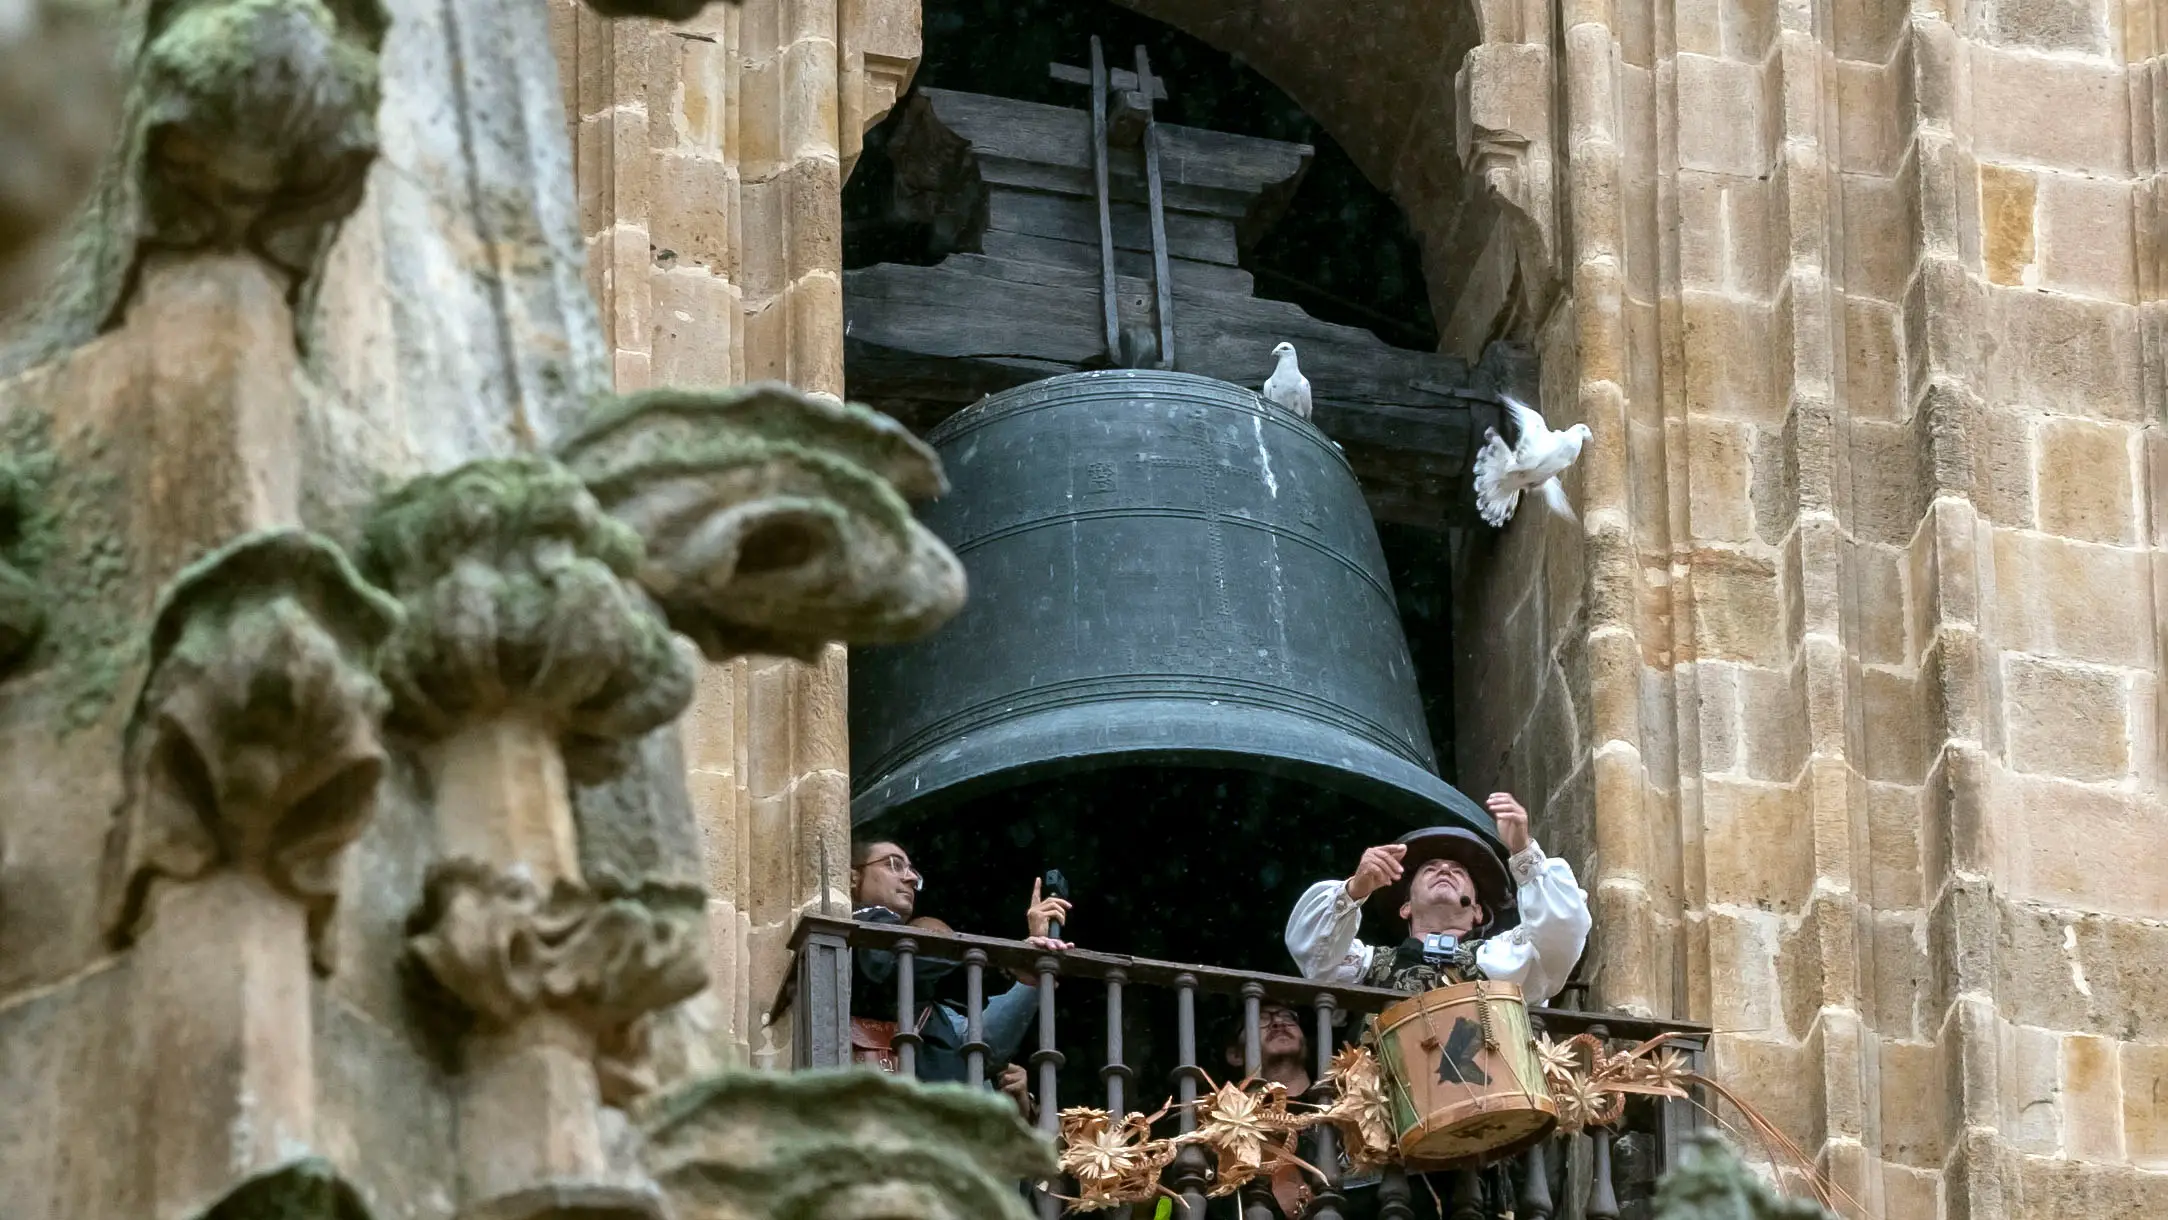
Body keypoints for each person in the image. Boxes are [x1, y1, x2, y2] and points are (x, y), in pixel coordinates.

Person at [1284, 792, 1589, 1004]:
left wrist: (1523, 851)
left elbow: (1562, 935)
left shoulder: (1507, 958)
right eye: (1430, 868)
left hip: (1490, 1096)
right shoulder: (1364, 966)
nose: (1444, 868)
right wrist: (1355, 889)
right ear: (1406, 907)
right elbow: (1314, 957)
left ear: (1478, 912)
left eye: (1458, 870)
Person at [849, 840, 1072, 1105]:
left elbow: (983, 1047)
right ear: (853, 877)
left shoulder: (932, 1005)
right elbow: (883, 966)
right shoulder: (862, 933)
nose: (909, 878)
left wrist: (1032, 968)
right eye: (893, 864)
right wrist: (1007, 958)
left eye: (912, 871)